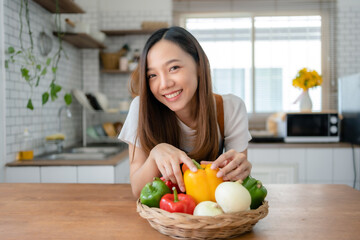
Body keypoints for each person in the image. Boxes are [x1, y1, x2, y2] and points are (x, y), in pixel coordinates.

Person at [119, 26, 252, 198]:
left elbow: (237, 188)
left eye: (173, 68)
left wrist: (240, 170)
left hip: (210, 217)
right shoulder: (141, 108)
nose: (164, 84)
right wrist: (154, 156)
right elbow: (137, 190)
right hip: (164, 219)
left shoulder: (230, 108)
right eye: (152, 75)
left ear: (198, 65)